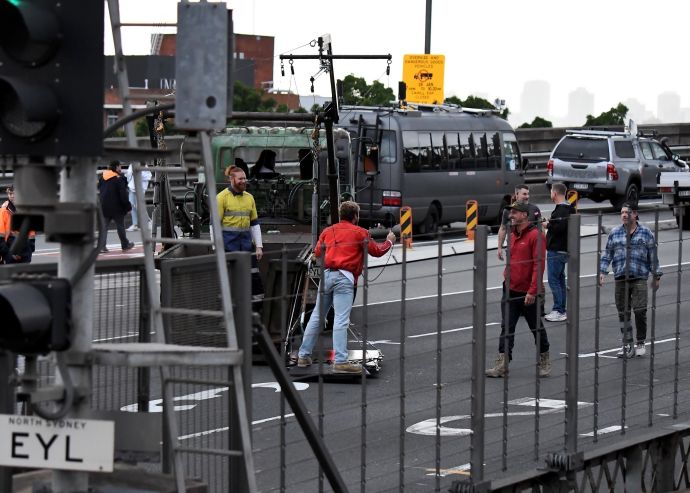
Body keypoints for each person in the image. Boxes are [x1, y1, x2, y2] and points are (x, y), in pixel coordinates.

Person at [297, 201, 396, 374]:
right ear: (355, 216)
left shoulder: (328, 231)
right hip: (344, 277)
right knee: (341, 319)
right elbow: (377, 251)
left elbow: (318, 253)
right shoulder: (360, 232)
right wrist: (389, 242)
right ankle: (341, 361)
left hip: (326, 275)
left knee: (317, 316)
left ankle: (303, 355)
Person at [486, 202, 551, 378]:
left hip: (528, 292)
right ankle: (502, 364)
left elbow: (539, 265)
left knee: (535, 326)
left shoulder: (535, 236)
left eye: (514, 212)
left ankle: (544, 357)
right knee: (506, 326)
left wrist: (532, 291)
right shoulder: (513, 234)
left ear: (524, 215)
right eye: (510, 212)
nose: (510, 215)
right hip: (510, 288)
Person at [599, 202, 661, 358]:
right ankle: (627, 344)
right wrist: (602, 272)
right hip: (620, 278)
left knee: (640, 311)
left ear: (635, 214)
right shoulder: (615, 233)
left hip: (639, 276)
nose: (624, 215)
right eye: (622, 212)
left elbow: (653, 256)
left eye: (627, 212)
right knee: (623, 313)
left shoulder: (646, 233)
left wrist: (656, 275)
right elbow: (607, 254)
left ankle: (640, 342)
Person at [217, 165, 264, 308]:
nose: (244, 181)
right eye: (241, 178)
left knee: (253, 276)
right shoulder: (221, 198)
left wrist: (259, 246)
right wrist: (216, 248)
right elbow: (215, 225)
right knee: (231, 280)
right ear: (231, 179)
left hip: (246, 246)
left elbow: (254, 224)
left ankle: (256, 309)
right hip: (228, 246)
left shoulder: (249, 198)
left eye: (245, 178)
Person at [544, 183, 576, 322]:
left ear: (555, 193)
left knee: (553, 280)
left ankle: (559, 310)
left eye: (551, 192)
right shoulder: (570, 208)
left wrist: (547, 224)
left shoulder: (562, 209)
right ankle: (562, 309)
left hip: (556, 249)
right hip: (563, 249)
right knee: (560, 280)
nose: (551, 194)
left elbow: (559, 228)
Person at [497, 184, 541, 261]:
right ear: (517, 194)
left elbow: (541, 229)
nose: (527, 196)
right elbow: (503, 228)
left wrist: (541, 246)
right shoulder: (507, 210)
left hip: (530, 250)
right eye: (524, 194)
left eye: (528, 194)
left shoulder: (535, 209)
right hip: (513, 249)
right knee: (512, 271)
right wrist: (499, 247)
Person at [99, 160, 135, 252]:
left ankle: (102, 246)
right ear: (116, 167)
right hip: (117, 207)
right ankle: (125, 244)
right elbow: (123, 195)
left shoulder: (102, 177)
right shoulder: (119, 178)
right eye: (120, 167)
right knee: (120, 226)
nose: (121, 168)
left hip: (104, 206)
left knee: (104, 227)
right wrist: (128, 207)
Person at [0, 186, 35, 264]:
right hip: (9, 252)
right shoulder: (3, 211)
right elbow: (1, 235)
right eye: (10, 194)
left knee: (25, 274)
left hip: (25, 252)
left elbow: (31, 231)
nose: (12, 196)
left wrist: (31, 247)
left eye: (14, 193)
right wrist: (7, 253)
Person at [124, 161, 152, 231]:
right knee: (132, 205)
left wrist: (137, 174)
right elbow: (128, 174)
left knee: (140, 206)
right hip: (132, 187)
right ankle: (135, 224)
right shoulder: (131, 164)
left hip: (140, 188)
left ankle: (148, 222)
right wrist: (130, 175)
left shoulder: (144, 166)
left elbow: (148, 176)